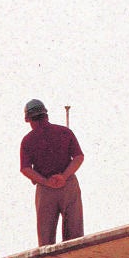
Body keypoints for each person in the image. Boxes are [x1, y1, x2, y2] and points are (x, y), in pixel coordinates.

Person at [19, 98, 84, 246]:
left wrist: (45, 181)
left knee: (46, 240)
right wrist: (64, 176)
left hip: (45, 190)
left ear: (28, 120)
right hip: (68, 185)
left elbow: (25, 168)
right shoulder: (65, 132)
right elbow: (79, 157)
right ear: (46, 115)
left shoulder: (28, 140)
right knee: (75, 239)